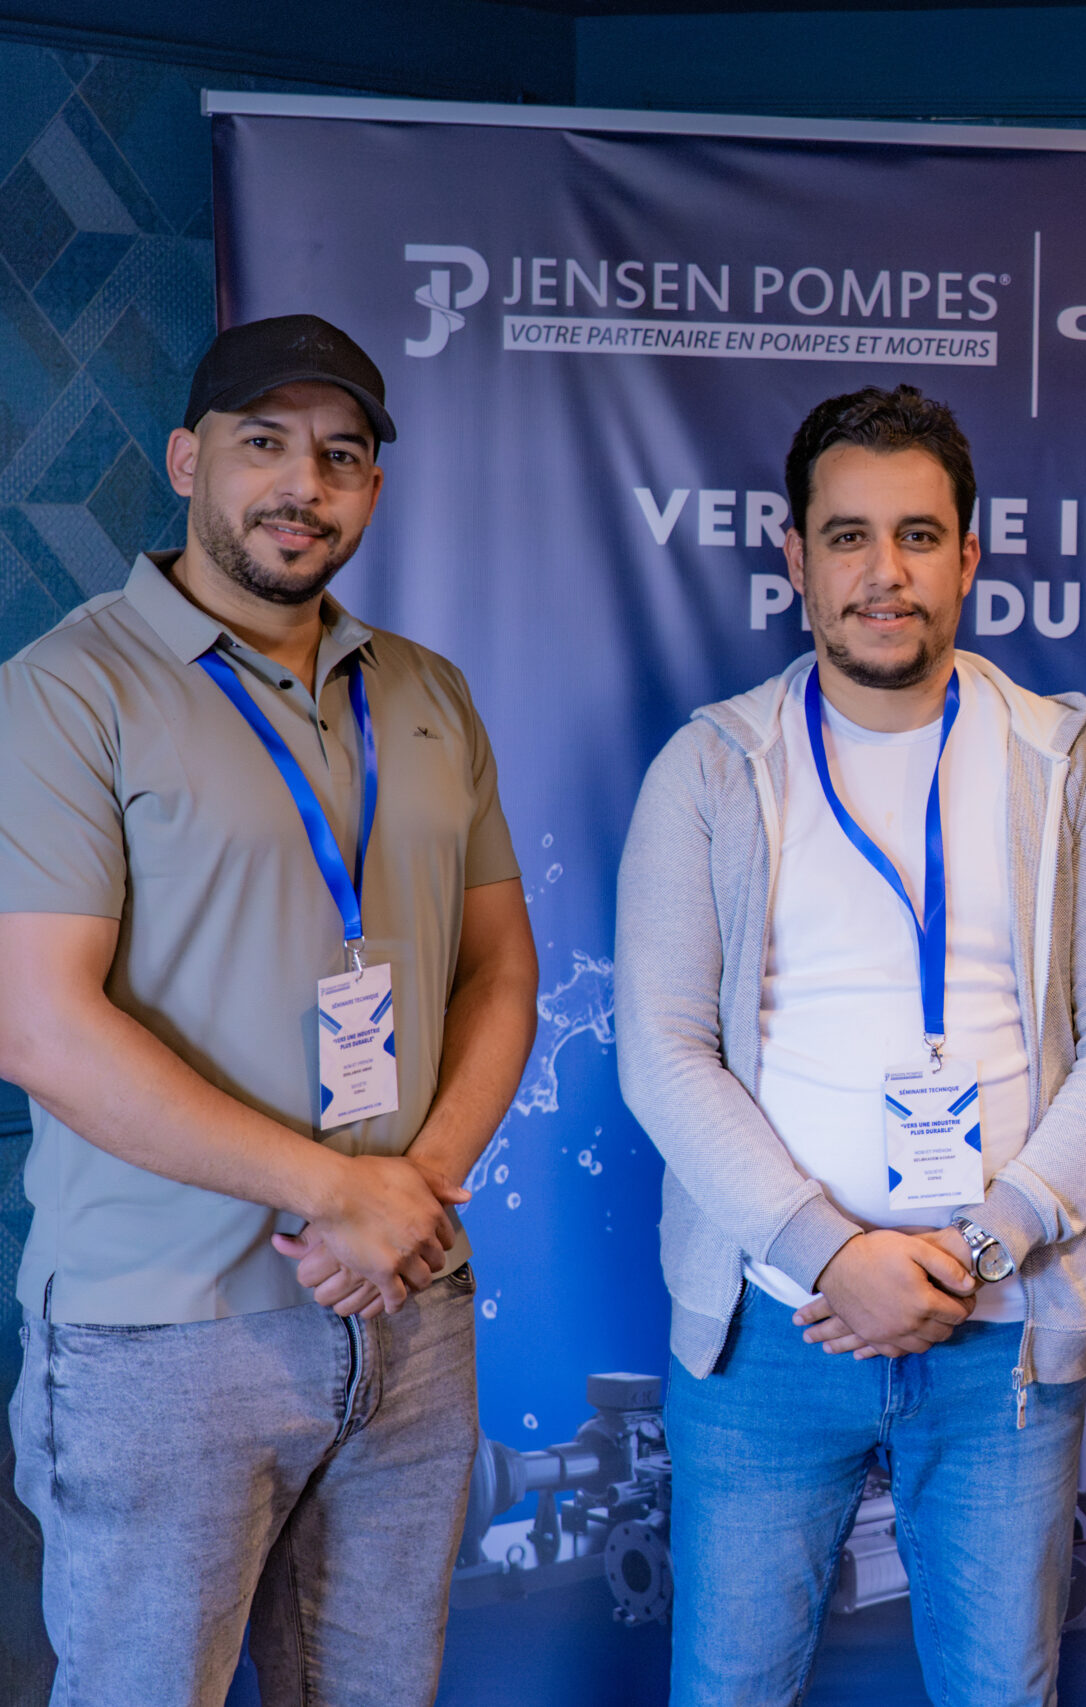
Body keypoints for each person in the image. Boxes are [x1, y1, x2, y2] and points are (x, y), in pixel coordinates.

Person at [0, 314, 538, 1706]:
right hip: (165, 1337)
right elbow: (37, 1025)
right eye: (264, 444)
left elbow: (502, 972)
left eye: (341, 456)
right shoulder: (68, 692)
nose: (304, 484)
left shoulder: (427, 692)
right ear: (189, 461)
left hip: (408, 1312)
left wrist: (408, 1196)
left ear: (372, 487)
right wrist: (332, 1190)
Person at [615, 384, 1086, 1706]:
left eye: (918, 536)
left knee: (1002, 1693)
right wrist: (833, 1255)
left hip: (1003, 1325)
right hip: (772, 1327)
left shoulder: (1064, 765)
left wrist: (981, 1249)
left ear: (968, 556)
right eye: (849, 537)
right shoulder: (712, 769)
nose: (885, 573)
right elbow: (662, 1049)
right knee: (730, 1691)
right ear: (796, 559)